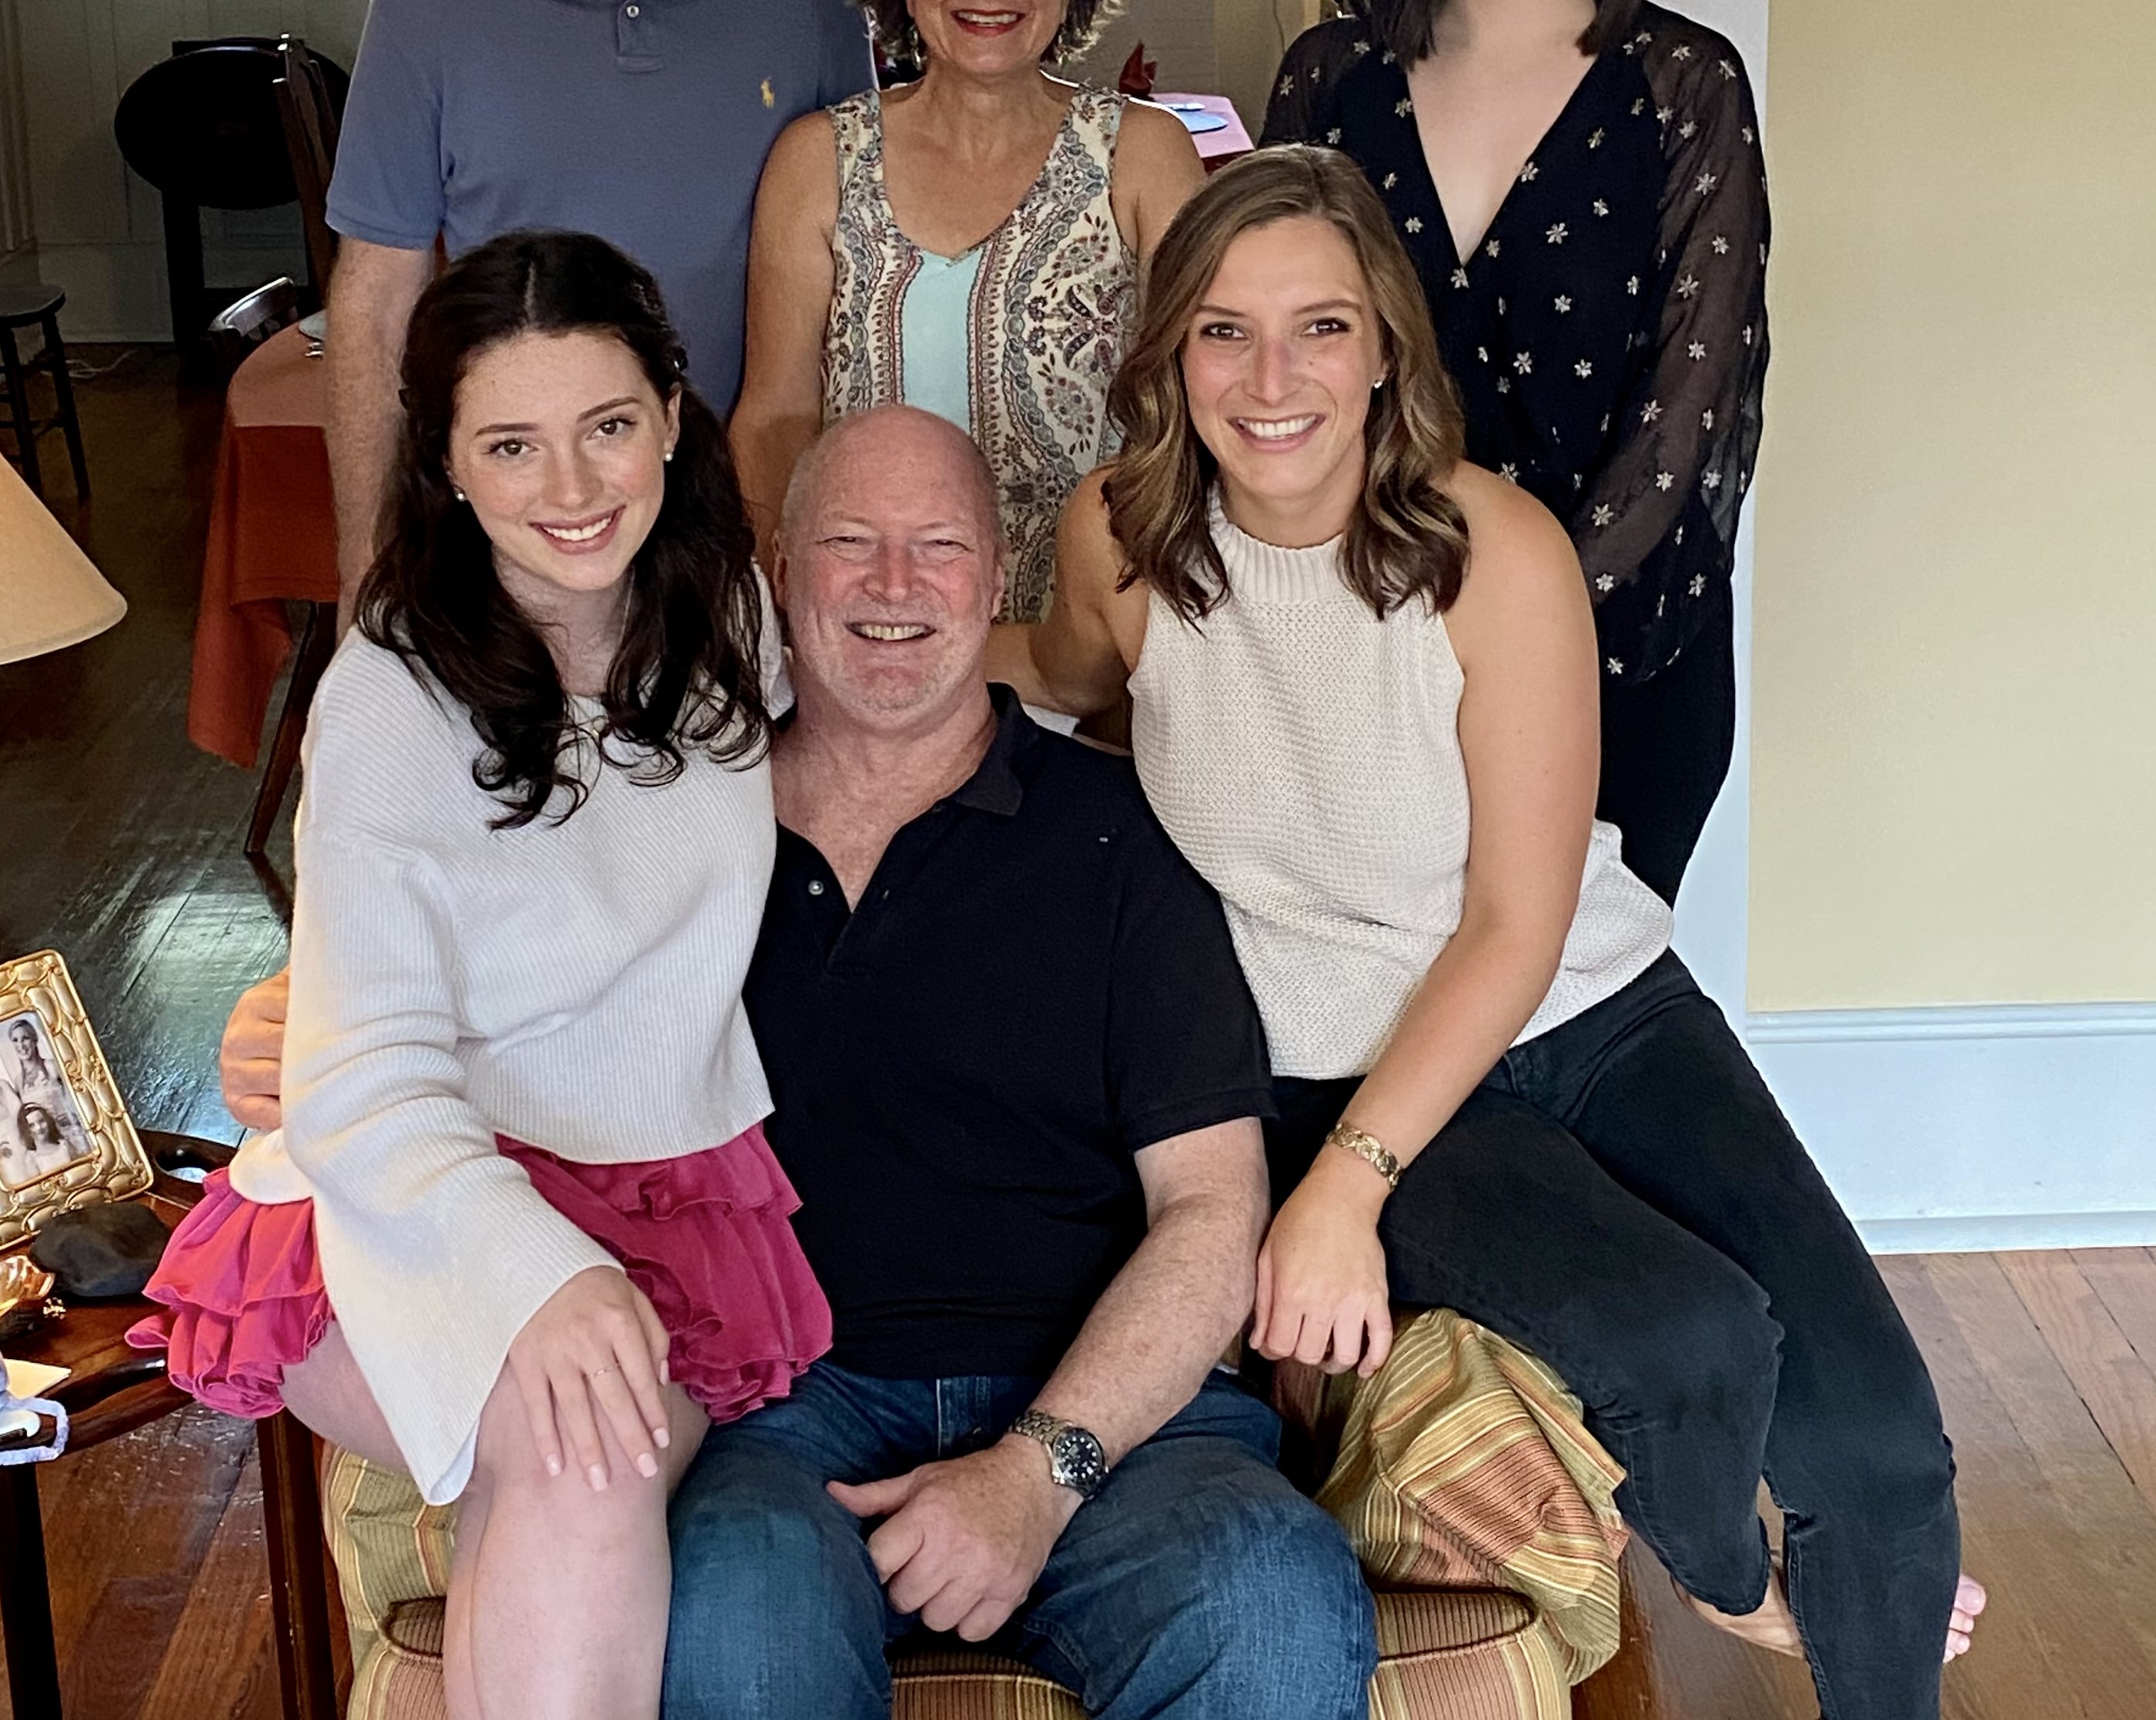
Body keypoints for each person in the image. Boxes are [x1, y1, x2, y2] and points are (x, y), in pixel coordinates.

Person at [1001, 151, 1981, 1720]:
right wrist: (852, 653)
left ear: (1386, 344)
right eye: (1224, 331)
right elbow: (1047, 672)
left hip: (1589, 1014)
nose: (1272, 379)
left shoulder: (1492, 549)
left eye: (1320, 327)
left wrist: (1339, 1195)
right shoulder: (1120, 541)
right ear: (1169, 350)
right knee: (1687, 1337)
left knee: (1874, 1430)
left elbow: (1521, 923)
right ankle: (1732, 1577)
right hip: (1339, 1055)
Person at [219, 404, 1379, 1720]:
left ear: (999, 583)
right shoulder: (658, 815)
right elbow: (437, 983)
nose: (893, 586)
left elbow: (1212, 1211)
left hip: (1117, 1425)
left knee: (1270, 1599)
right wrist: (294, 1013)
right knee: (731, 1632)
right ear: (776, 574)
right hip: (781, 1410)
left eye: (938, 546)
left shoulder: (1120, 834)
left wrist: (1034, 1470)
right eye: (848, 543)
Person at [131, 232, 831, 1720]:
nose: (569, 489)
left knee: (588, 1458)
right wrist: (540, 1271)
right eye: (509, 443)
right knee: (585, 1454)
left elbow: (920, 700)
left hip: (667, 1182)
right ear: (445, 463)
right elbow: (366, 1073)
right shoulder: (390, 689)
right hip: (405, 1189)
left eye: (605, 427)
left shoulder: (728, 622)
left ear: (671, 413)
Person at [1261, 0, 1768, 904]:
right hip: (1356, 633)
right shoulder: (1329, 80)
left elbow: (1690, 408)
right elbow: (1270, 360)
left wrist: (1513, 633)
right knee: (1375, 1013)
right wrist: (1373, 624)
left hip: (1617, 655)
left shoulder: (1683, 85)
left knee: (1576, 1017)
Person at [323, 0, 877, 612]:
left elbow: (868, 272)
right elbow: (371, 309)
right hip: (522, 532)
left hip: (749, 528)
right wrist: (370, 583)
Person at [729, 0, 1205, 617]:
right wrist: (799, 611)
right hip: (873, 629)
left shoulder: (1144, 155)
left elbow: (1196, 411)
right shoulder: (818, 160)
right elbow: (776, 416)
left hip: (1096, 633)